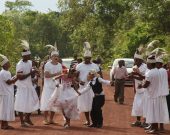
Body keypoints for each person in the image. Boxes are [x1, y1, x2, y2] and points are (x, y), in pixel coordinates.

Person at [138, 55, 169, 134]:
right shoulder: (157, 71)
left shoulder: (151, 73)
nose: (147, 64)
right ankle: (154, 128)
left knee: (153, 113)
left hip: (153, 96)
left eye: (147, 63)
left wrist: (141, 85)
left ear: (150, 64)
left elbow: (146, 85)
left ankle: (155, 129)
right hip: (156, 94)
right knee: (155, 113)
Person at [15, 40, 40, 127]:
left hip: (29, 85)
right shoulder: (19, 64)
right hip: (22, 87)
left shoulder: (29, 62)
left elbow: (31, 72)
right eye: (29, 55)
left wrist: (35, 73)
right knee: (21, 104)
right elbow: (20, 77)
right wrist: (31, 73)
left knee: (34, 101)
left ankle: (27, 118)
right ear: (24, 56)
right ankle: (22, 122)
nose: (30, 56)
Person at [76, 41, 99, 126]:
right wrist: (79, 81)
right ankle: (88, 120)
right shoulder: (79, 66)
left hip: (92, 88)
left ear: (91, 57)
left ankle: (94, 121)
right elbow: (76, 76)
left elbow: (99, 77)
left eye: (89, 58)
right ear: (83, 57)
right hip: (83, 88)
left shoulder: (95, 66)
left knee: (93, 104)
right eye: (86, 58)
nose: (87, 59)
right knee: (85, 105)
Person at [40, 47, 62, 125]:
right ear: (51, 57)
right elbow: (46, 75)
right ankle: (45, 119)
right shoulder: (47, 64)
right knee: (47, 103)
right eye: (54, 56)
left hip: (56, 87)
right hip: (48, 87)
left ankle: (51, 119)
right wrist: (57, 74)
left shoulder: (59, 65)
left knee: (54, 103)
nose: (56, 57)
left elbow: (61, 75)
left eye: (57, 56)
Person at [0, 54, 18, 130]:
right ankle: (3, 125)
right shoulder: (3, 72)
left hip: (8, 93)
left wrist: (15, 77)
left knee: (6, 109)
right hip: (5, 94)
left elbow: (9, 80)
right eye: (8, 63)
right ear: (4, 65)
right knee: (4, 109)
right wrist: (17, 77)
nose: (9, 64)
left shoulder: (6, 72)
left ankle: (5, 124)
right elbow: (9, 82)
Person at [130, 52, 147, 127]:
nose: (135, 61)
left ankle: (145, 122)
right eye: (135, 60)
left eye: (137, 60)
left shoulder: (145, 67)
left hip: (144, 90)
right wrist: (130, 76)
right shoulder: (135, 66)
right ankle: (138, 121)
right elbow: (134, 75)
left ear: (141, 60)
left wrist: (134, 76)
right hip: (138, 90)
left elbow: (143, 77)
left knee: (144, 106)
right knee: (137, 106)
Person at [156, 58, 169, 132]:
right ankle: (160, 127)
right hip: (162, 93)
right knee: (162, 110)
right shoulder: (164, 70)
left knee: (160, 110)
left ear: (160, 64)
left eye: (157, 63)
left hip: (159, 94)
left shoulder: (160, 71)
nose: (155, 65)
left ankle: (160, 127)